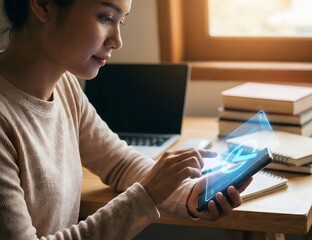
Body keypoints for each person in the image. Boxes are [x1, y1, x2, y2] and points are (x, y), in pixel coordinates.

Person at [0, 0, 252, 239]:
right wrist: (147, 194)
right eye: (105, 17)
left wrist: (188, 193)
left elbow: (119, 163)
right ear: (43, 5)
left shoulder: (64, 85)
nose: (117, 41)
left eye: (121, 22)